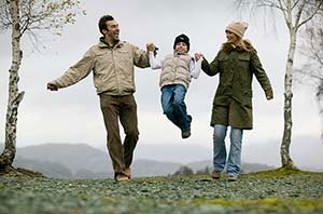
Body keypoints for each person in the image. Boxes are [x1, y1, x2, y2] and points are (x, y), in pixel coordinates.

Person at [47, 15, 151, 182]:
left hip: (128, 96)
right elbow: (77, 70)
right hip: (107, 97)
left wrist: (151, 52)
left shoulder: (128, 48)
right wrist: (58, 83)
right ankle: (119, 172)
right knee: (113, 134)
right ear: (104, 31)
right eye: (113, 27)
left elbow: (145, 61)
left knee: (133, 133)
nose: (117, 29)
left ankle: (125, 164)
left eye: (118, 26)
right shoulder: (95, 52)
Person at [195, 22, 273, 181]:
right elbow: (211, 71)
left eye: (230, 32)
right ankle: (218, 166)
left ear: (238, 34)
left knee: (235, 138)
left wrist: (268, 90)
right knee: (218, 134)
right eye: (226, 32)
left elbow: (260, 72)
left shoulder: (249, 53)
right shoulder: (223, 52)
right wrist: (201, 60)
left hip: (240, 101)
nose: (227, 35)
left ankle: (232, 171)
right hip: (222, 99)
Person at [146, 34, 201, 139]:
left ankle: (185, 127)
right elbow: (154, 65)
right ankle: (185, 123)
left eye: (184, 45)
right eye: (178, 44)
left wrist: (199, 62)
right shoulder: (167, 57)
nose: (181, 46)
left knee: (177, 102)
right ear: (174, 46)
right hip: (166, 85)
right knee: (167, 110)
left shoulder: (189, 59)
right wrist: (150, 52)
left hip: (180, 83)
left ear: (188, 48)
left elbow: (195, 74)